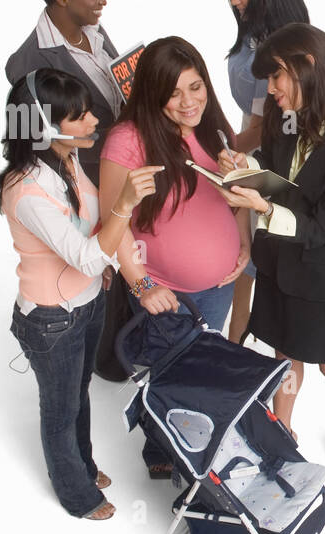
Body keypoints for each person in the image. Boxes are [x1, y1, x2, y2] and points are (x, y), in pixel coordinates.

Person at [0, 68, 163, 519]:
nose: (93, 123)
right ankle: (75, 493)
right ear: (43, 127)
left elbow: (88, 235)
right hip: (52, 319)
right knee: (61, 411)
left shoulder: (66, 160)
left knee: (79, 393)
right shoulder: (25, 189)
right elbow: (86, 255)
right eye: (79, 117)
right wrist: (123, 204)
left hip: (87, 303)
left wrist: (103, 265)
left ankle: (83, 464)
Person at [218, 24, 325, 490]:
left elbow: (323, 226)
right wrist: (244, 169)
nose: (270, 90)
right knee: (285, 354)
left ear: (308, 67)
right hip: (279, 264)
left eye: (277, 77)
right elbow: (275, 171)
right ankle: (280, 433)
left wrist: (263, 207)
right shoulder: (284, 112)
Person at [99, 36, 251, 479]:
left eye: (196, 86)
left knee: (202, 374)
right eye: (174, 92)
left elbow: (233, 199)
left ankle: (199, 453)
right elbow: (113, 224)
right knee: (168, 377)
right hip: (168, 292)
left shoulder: (210, 129)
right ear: (152, 92)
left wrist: (241, 243)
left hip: (219, 285)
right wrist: (142, 285)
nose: (189, 101)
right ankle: (163, 455)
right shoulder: (127, 141)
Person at [223, 0, 311, 344]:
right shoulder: (253, 31)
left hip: (272, 151)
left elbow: (268, 123)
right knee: (242, 260)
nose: (235, 2)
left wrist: (220, 146)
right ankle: (234, 344)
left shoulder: (286, 44)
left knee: (250, 259)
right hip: (249, 137)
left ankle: (240, 348)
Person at [5, 0, 124, 175]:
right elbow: (35, 150)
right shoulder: (28, 62)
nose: (104, 0)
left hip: (127, 167)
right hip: (89, 183)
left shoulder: (94, 29)